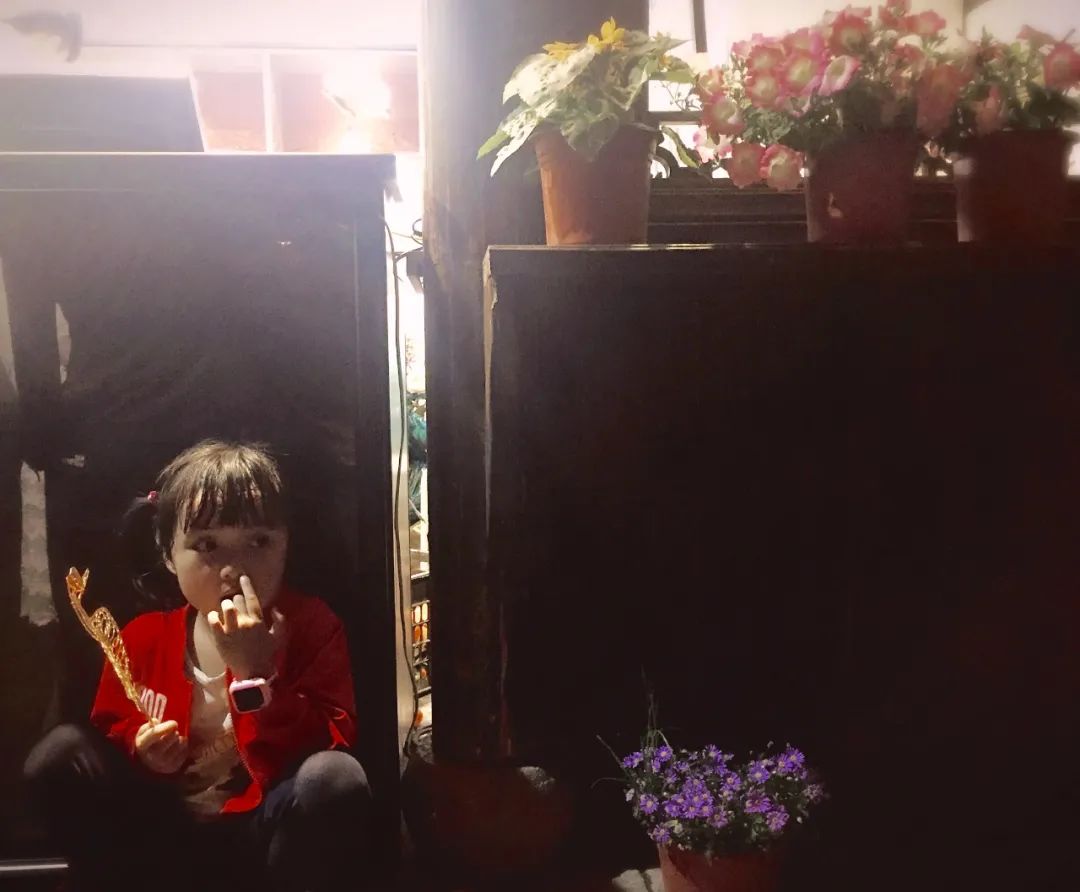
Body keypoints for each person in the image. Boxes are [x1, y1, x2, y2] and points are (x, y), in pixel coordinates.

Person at [23, 440, 371, 892]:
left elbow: (331, 744)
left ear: (286, 545)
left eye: (259, 542)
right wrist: (142, 749)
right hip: (162, 833)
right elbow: (110, 728)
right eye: (206, 545)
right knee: (60, 754)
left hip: (262, 829)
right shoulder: (143, 637)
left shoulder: (312, 627)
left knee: (334, 779)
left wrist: (255, 675)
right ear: (169, 555)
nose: (234, 568)